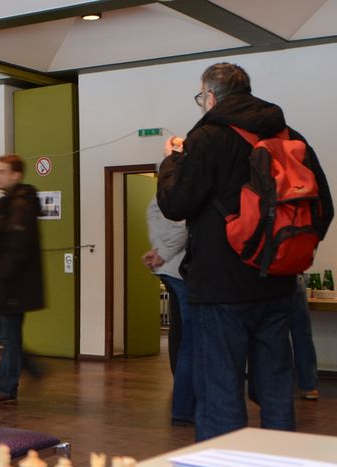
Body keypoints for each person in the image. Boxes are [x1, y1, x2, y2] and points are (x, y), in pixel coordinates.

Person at [157, 62, 333, 441]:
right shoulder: (290, 136)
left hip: (219, 287)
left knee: (220, 388)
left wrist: (172, 160)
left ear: (210, 96)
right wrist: (284, 251)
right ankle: (278, 464)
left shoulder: (207, 138)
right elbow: (324, 209)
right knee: (276, 386)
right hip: (277, 281)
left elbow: (175, 203)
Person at [0, 154, 44, 404]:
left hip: (12, 287)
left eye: (3, 172)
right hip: (1, 286)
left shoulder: (20, 206)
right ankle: (30, 368)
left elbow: (16, 248)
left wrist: (0, 276)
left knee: (9, 337)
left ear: (16, 175)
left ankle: (6, 387)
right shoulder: (8, 204)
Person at [143, 198, 193, 425]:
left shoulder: (159, 197)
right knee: (190, 337)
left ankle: (182, 397)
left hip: (169, 268)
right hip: (180, 269)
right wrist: (162, 253)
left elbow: (157, 221)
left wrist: (159, 251)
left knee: (180, 330)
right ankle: (185, 404)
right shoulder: (180, 191)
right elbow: (182, 230)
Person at [290, 276, 319, 401]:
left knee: (274, 336)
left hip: (266, 282)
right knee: (302, 334)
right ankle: (308, 386)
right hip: (294, 278)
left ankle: (276, 386)